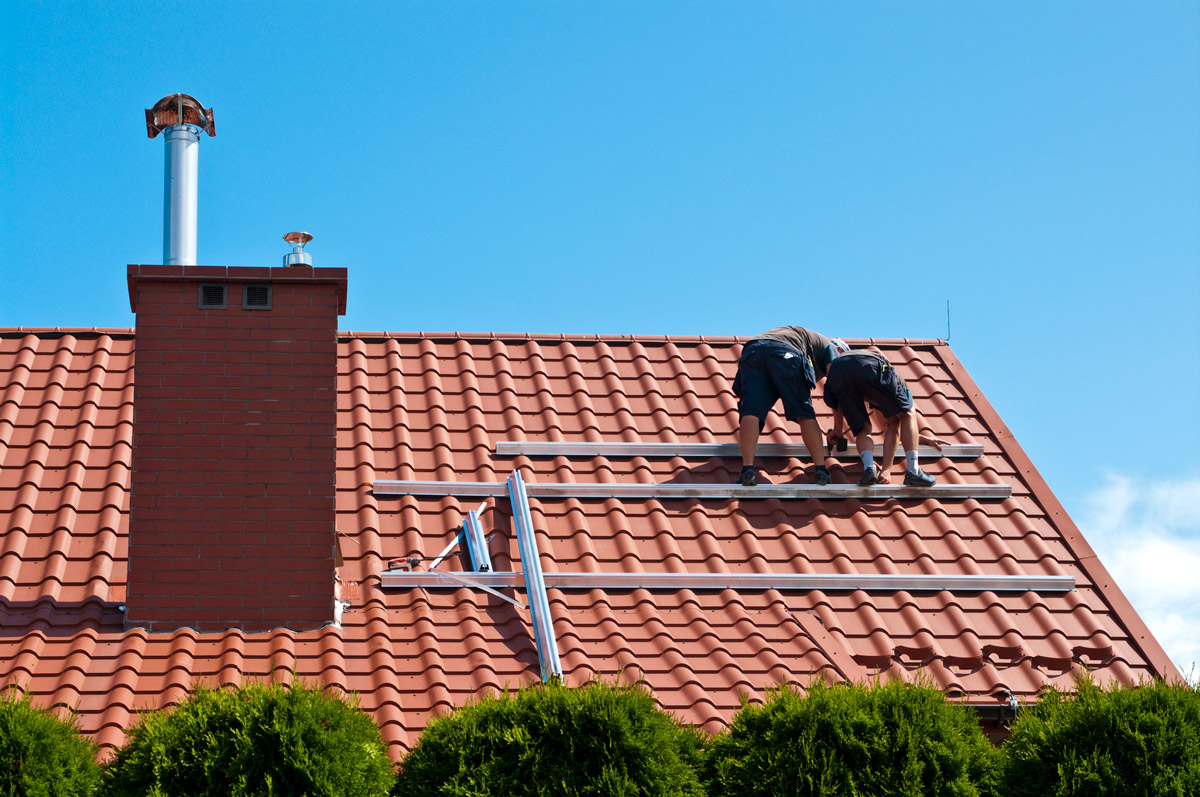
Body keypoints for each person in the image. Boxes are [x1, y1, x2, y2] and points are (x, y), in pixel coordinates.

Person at [732, 327, 849, 486]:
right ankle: (821, 470)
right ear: (840, 350)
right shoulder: (831, 347)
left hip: (752, 351)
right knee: (804, 413)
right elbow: (837, 385)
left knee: (751, 413)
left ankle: (747, 470)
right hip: (785, 352)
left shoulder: (810, 344)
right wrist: (838, 429)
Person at [822, 346, 937, 487]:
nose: (886, 424)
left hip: (835, 373)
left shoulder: (869, 393)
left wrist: (838, 430)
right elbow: (897, 422)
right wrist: (886, 470)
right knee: (907, 413)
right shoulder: (899, 386)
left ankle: (869, 469)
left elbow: (837, 404)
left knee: (863, 428)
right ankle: (914, 471)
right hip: (867, 364)